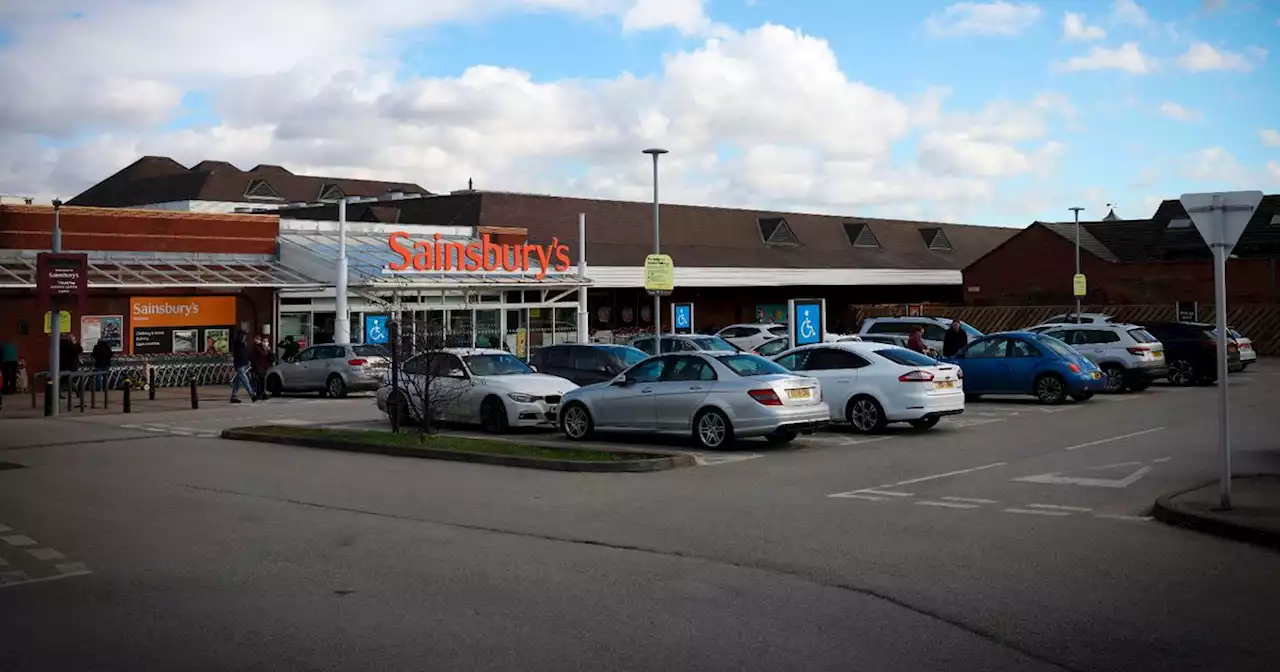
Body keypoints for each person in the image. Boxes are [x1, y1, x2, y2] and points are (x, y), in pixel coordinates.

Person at [229, 330, 256, 404]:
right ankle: (251, 394)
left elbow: (245, 353)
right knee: (244, 379)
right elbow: (238, 355)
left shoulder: (242, 344)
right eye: (244, 336)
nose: (245, 337)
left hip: (243, 363)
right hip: (239, 364)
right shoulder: (238, 344)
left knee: (237, 381)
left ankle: (233, 396)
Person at [59, 334, 84, 401]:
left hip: (62, 365)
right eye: (73, 339)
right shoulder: (71, 347)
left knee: (64, 380)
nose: (74, 340)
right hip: (71, 366)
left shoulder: (61, 345)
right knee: (68, 380)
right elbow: (80, 350)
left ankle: (59, 393)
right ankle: (77, 392)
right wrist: (76, 343)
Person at [250, 335, 272, 401]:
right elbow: (254, 358)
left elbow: (271, 358)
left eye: (267, 341)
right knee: (259, 381)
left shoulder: (267, 349)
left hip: (264, 367)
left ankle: (261, 393)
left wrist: (269, 351)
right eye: (264, 341)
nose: (266, 343)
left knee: (262, 381)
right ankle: (259, 394)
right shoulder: (257, 348)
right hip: (259, 367)